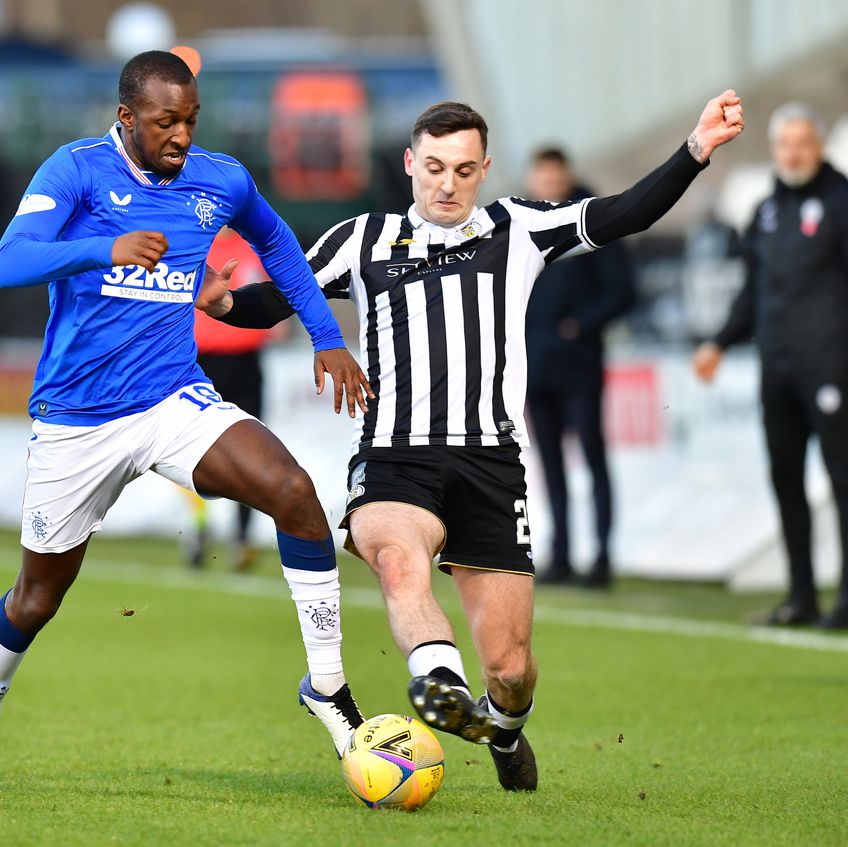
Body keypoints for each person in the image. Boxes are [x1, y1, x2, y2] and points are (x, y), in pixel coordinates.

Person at [199, 91, 745, 791]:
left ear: (484, 169)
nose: (447, 183)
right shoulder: (359, 239)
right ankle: (439, 679)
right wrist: (223, 302)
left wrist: (694, 150)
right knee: (399, 560)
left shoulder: (517, 227)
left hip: (491, 463)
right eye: (433, 167)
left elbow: (622, 213)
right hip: (395, 455)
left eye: (462, 169)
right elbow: (276, 298)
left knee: (512, 670)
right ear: (409, 164)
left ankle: (502, 726)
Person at [0, 51, 374, 800]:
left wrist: (326, 335)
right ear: (126, 117)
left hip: (173, 398)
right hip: (76, 419)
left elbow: (276, 244)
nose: (180, 135)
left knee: (296, 492)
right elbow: (9, 262)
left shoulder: (221, 179)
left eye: (190, 120)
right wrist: (103, 247)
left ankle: (328, 686)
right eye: (165, 121)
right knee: (36, 598)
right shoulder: (74, 170)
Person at [693, 102, 848, 631]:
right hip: (776, 369)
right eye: (785, 145)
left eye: (803, 144)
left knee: (843, 479)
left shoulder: (841, 200)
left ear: (819, 146)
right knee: (786, 479)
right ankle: (801, 595)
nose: (794, 154)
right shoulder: (765, 210)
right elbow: (752, 292)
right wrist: (719, 341)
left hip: (831, 366)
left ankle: (846, 598)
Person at [523, 148, 636, 587]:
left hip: (580, 366)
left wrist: (578, 327)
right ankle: (562, 554)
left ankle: (603, 556)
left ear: (566, 175)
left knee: (592, 457)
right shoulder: (523, 226)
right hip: (537, 367)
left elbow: (623, 291)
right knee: (549, 465)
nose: (548, 182)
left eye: (555, 174)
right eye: (541, 175)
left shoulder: (596, 223)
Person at [186, 228, 276, 572]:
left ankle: (242, 537)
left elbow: (272, 304)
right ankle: (198, 529)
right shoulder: (192, 241)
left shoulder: (253, 247)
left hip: (245, 361)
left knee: (251, 454)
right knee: (193, 451)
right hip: (201, 362)